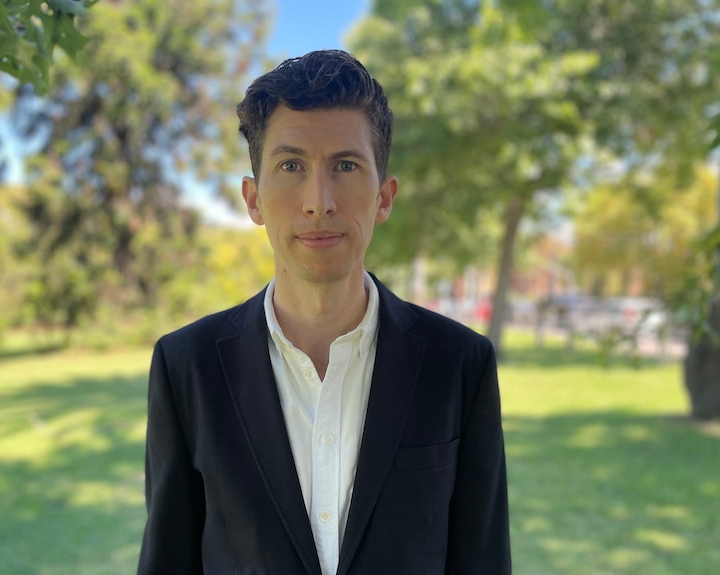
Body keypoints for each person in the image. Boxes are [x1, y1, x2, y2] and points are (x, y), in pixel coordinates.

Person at [137, 49, 511, 575]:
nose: (319, 200)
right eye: (291, 165)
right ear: (254, 200)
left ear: (384, 197)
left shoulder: (459, 364)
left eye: (345, 166)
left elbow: (484, 561)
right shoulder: (186, 366)